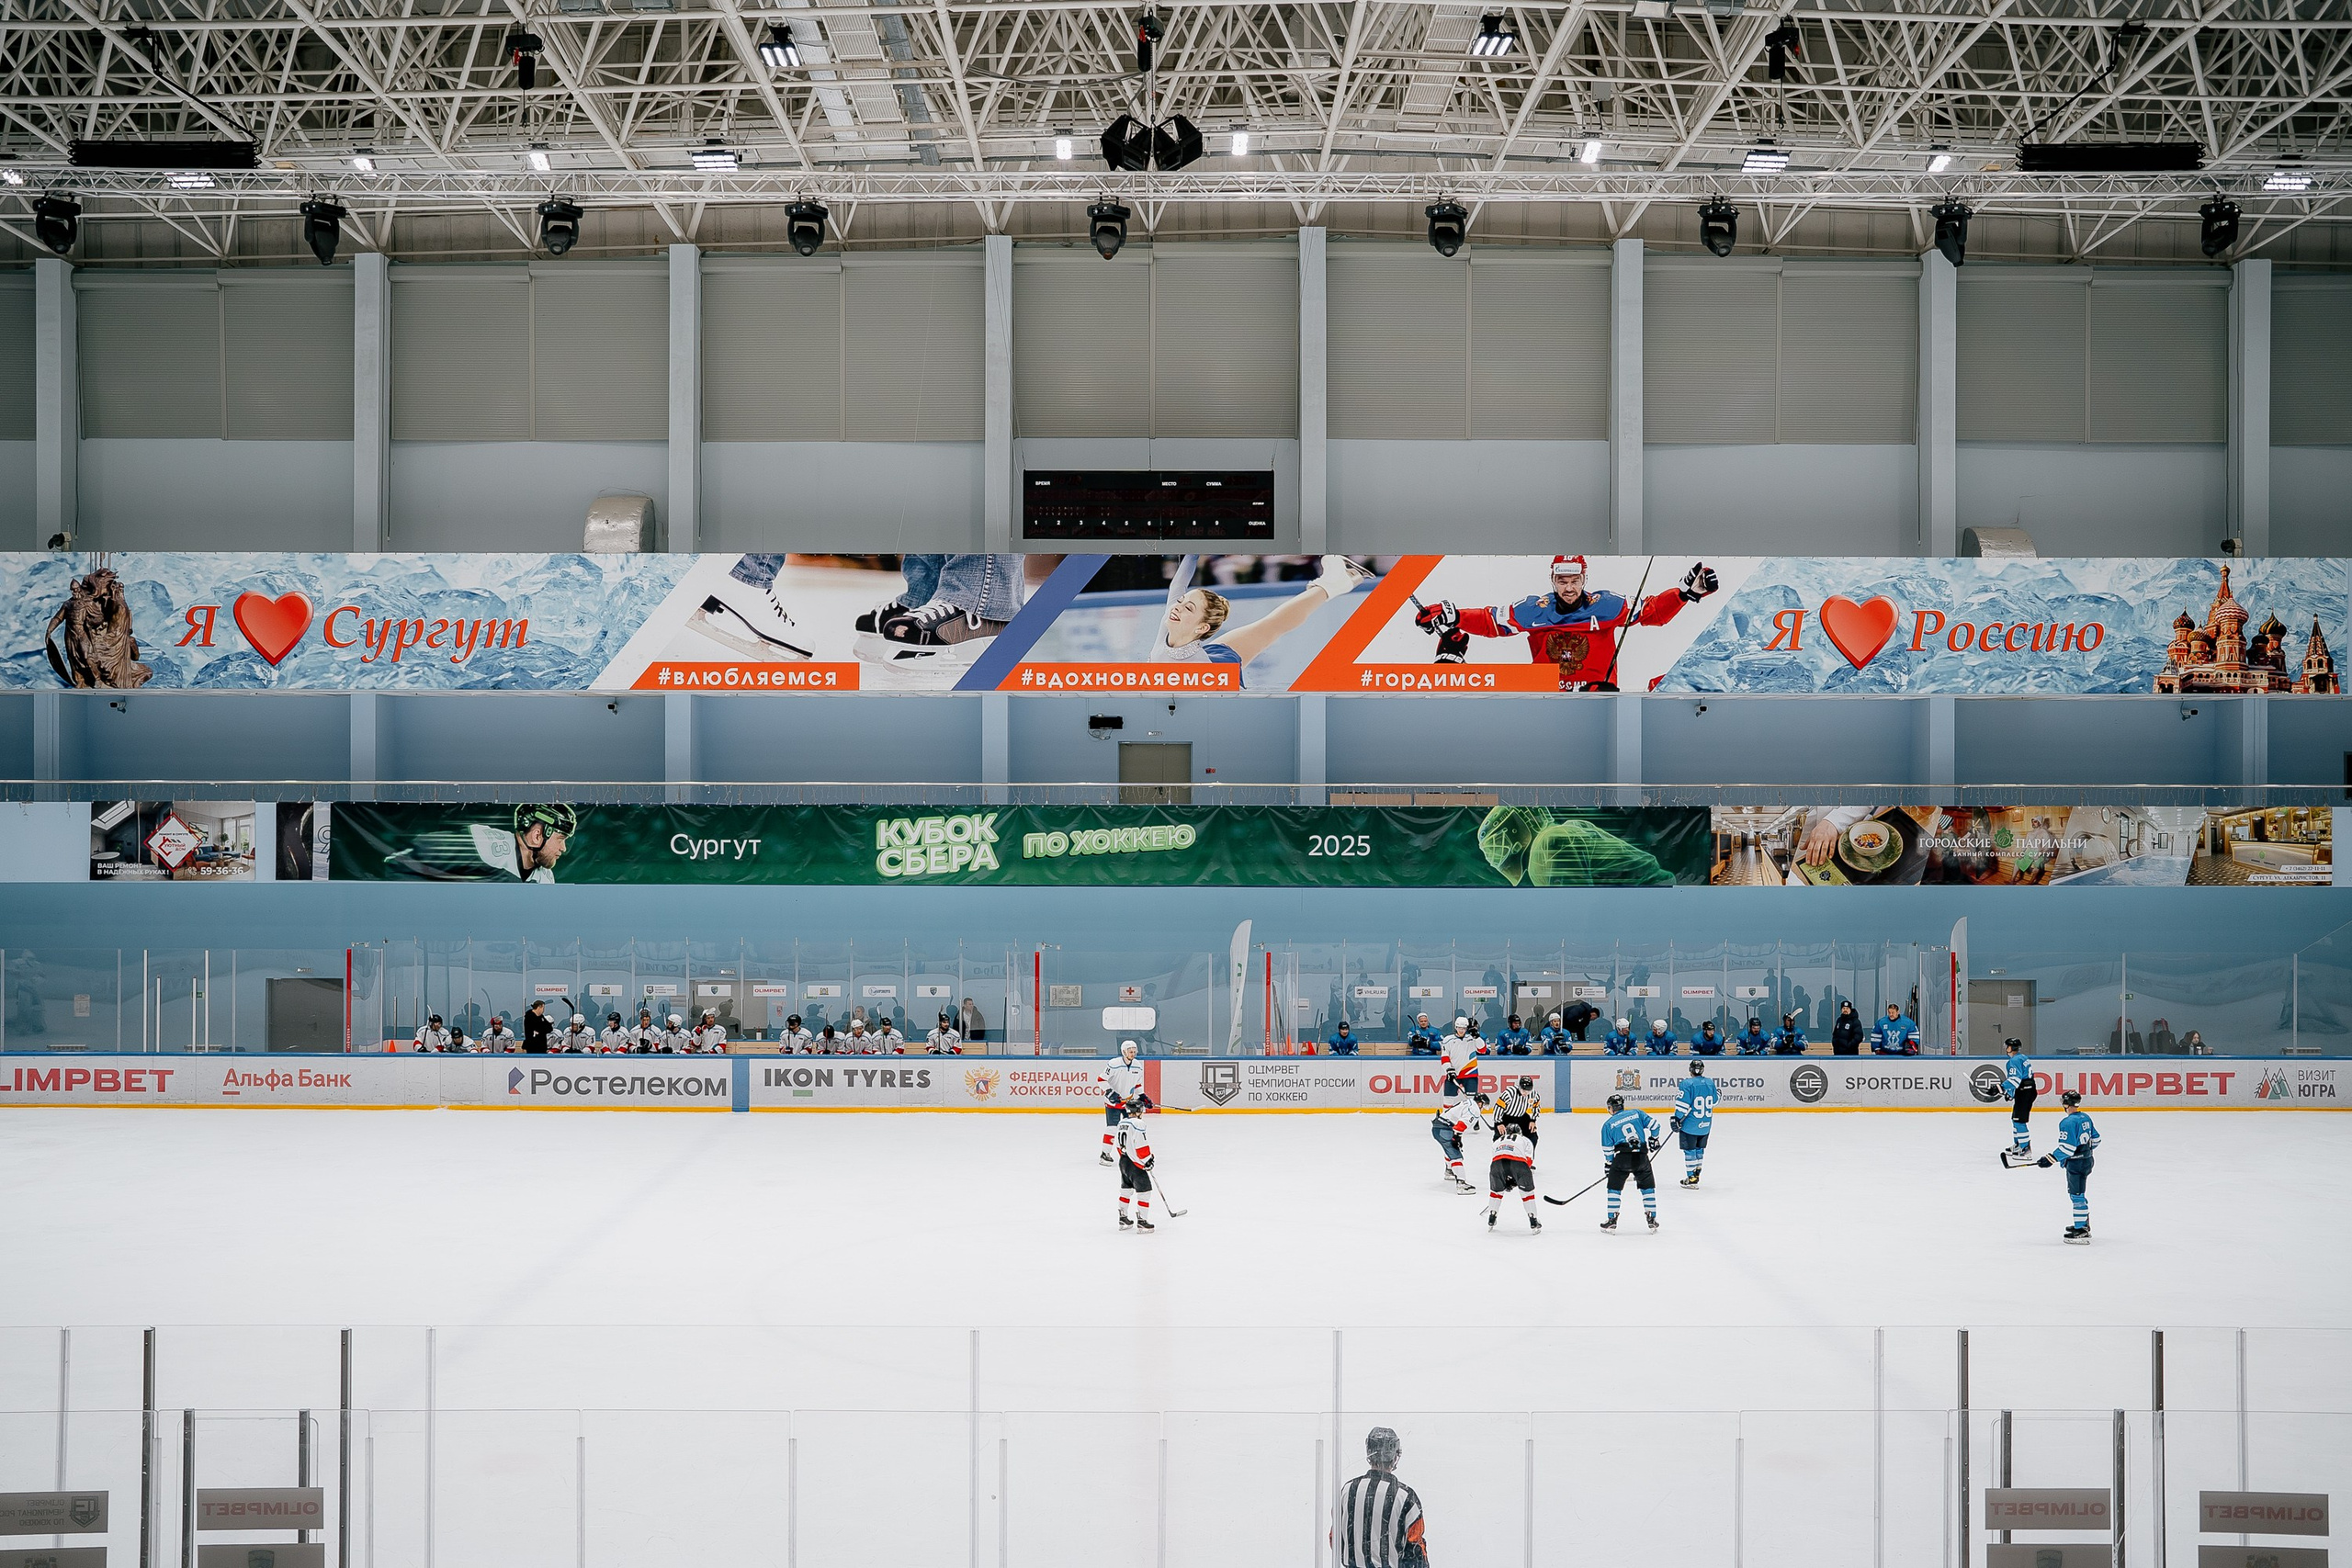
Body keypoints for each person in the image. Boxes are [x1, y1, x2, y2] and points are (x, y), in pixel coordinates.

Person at [1412, 553, 1719, 690]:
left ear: (1585, 579)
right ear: (1553, 580)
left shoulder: (1608, 605)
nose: (1569, 588)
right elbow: (1493, 622)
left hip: (1598, 701)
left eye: (1575, 581)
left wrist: (1685, 593)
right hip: (1548, 701)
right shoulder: (1534, 609)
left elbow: (1651, 612)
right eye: (1562, 581)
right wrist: (1452, 614)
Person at [1152, 556, 1363, 689]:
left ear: (1202, 628)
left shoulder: (1207, 669)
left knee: (1272, 626)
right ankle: (1335, 584)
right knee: (1272, 625)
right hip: (1211, 669)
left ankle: (1334, 584)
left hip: (1217, 671)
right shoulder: (1170, 622)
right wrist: (1192, 551)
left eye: (1188, 607)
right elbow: (1177, 587)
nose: (1176, 607)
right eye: (1180, 603)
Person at [381, 803, 577, 885]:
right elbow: (400, 862)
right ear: (537, 835)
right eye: (560, 840)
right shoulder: (486, 846)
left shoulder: (545, 878)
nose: (563, 848)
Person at [1334, 1427, 1429, 1568]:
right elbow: (1415, 1549)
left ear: (1369, 1453)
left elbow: (1334, 1538)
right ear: (1395, 1456)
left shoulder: (1347, 1490)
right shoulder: (1406, 1497)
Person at [2039, 1089, 2101, 1244]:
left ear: (2066, 1104)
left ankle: (2081, 1230)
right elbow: (2097, 1139)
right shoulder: (2085, 1117)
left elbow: (2067, 1148)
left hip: (2076, 1164)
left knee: (2077, 1196)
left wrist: (2050, 1159)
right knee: (2079, 1193)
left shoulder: (2067, 1122)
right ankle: (2082, 1225)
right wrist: (2085, 1152)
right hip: (2087, 1160)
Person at [1598, 1093, 1662, 1234]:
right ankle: (1652, 1219)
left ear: (1610, 1108)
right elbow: (1655, 1125)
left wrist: (1609, 1164)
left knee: (1614, 1188)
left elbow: (1608, 1149)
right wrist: (1654, 1139)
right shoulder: (1637, 1113)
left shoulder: (1608, 1125)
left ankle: (1612, 1220)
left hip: (1622, 1158)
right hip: (1641, 1157)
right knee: (1648, 1187)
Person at [1671, 1060, 1720, 1187]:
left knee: (1690, 1150)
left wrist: (1676, 1119)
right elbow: (1715, 1101)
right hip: (1705, 1125)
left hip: (1690, 1126)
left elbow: (1682, 1106)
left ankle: (1691, 1179)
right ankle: (1696, 1175)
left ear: (1690, 1070)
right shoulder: (1709, 1082)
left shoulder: (1686, 1084)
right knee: (1700, 1150)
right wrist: (1719, 1093)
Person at [1114, 1091, 1158, 1232]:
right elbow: (1140, 1145)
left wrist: (1124, 1158)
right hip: (1135, 1164)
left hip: (1124, 1161)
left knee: (1126, 1190)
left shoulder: (1122, 1122)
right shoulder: (1139, 1123)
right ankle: (1142, 1222)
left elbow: (1117, 1145)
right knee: (1144, 1192)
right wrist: (1147, 1160)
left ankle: (1123, 1219)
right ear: (1138, 1111)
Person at [1097, 1040, 1145, 1167]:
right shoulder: (1114, 1064)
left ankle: (1130, 1154)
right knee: (1112, 1128)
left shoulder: (1138, 1066)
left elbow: (1138, 1084)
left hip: (1128, 1103)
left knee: (1131, 1128)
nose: (1133, 1054)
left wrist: (1143, 1096)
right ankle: (1105, 1154)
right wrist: (1110, 1092)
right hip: (1113, 1103)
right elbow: (1101, 1080)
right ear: (1124, 1052)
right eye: (1130, 1051)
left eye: (1134, 1051)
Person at [1431, 1089, 1485, 1193]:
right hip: (1444, 1129)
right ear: (1480, 1103)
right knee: (1456, 1155)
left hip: (1439, 1126)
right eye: (1483, 1106)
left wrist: (1457, 1136)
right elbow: (1461, 1125)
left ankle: (1449, 1170)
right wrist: (1457, 1137)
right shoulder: (1475, 1109)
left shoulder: (1469, 1102)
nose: (1483, 1109)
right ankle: (1461, 1184)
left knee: (1449, 1149)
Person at [2002, 1038, 2038, 1159]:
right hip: (2026, 1090)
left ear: (2010, 1047)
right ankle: (2018, 1144)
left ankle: (2025, 1149)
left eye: (2007, 1046)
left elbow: (2015, 1080)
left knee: (2019, 1121)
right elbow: (2019, 1079)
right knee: (2015, 1119)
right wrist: (2010, 1093)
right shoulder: (2022, 1057)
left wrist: (2000, 1088)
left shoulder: (2014, 1060)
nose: (2005, 1048)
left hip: (2024, 1091)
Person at [1439, 1029, 1484, 1098]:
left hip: (1470, 1074)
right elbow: (1445, 1057)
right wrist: (1448, 1069)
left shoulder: (1472, 1038)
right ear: (1456, 1027)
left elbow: (1483, 1050)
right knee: (1448, 1099)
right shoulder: (1448, 1040)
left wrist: (1477, 1037)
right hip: (1454, 1074)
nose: (1461, 1030)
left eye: (1463, 1028)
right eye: (1459, 1028)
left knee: (1471, 1100)